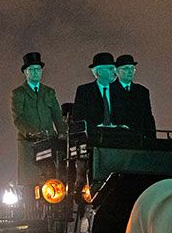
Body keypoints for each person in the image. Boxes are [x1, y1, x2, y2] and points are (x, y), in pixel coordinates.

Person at [10, 51, 66, 189]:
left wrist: (63, 133)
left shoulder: (49, 92)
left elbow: (57, 115)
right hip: (29, 144)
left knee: (53, 181)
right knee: (31, 184)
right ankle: (29, 209)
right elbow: (18, 118)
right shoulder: (18, 93)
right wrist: (30, 133)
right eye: (32, 70)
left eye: (38, 69)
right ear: (25, 72)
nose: (36, 72)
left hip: (49, 142)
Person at [72, 52, 119, 128]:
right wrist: (96, 127)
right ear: (100, 72)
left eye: (114, 69)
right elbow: (78, 117)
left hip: (118, 135)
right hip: (94, 136)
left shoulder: (119, 90)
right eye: (110, 69)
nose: (114, 72)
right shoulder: (85, 91)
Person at [112, 54, 156, 134]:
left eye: (132, 68)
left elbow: (148, 118)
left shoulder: (142, 91)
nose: (130, 71)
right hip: (116, 138)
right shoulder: (108, 90)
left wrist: (152, 140)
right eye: (126, 68)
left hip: (139, 138)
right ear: (117, 71)